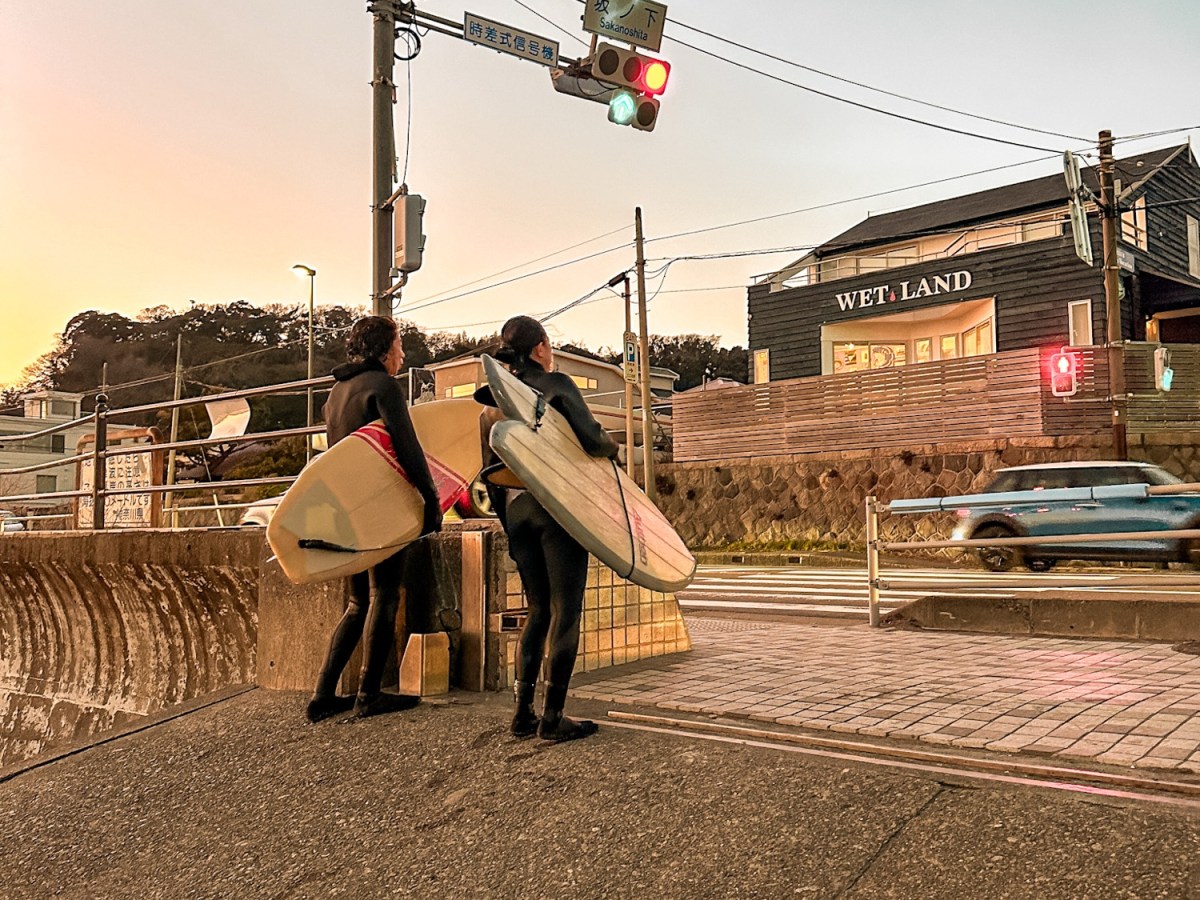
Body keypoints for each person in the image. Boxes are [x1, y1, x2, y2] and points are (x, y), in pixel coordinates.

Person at [479, 316, 619, 743]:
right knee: (565, 609)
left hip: (516, 511)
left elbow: (489, 472)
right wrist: (612, 445)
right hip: (555, 508)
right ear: (540, 349)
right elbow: (593, 440)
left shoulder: (490, 404)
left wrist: (508, 523)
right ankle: (554, 716)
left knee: (537, 609)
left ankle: (522, 713)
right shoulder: (556, 385)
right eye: (549, 343)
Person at [305, 316, 443, 723]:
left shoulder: (337, 392)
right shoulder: (382, 386)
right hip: (380, 504)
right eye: (399, 346)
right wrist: (431, 499)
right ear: (385, 349)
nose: (402, 354)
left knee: (356, 601)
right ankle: (368, 694)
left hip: (347, 505)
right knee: (385, 594)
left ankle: (323, 694)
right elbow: (407, 447)